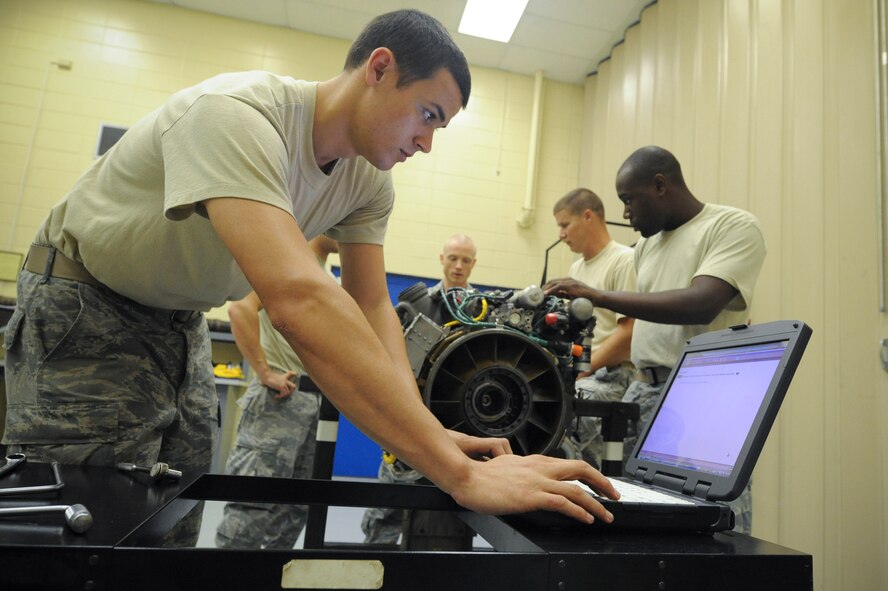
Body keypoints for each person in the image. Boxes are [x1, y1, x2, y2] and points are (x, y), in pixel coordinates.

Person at [3, 8, 618, 543]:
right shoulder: (237, 114)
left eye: (441, 127)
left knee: (171, 510)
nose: (428, 143)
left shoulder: (368, 181)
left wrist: (429, 432)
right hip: (86, 302)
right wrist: (458, 474)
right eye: (427, 115)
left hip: (179, 318)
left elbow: (373, 307)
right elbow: (298, 300)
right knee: (85, 521)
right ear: (378, 69)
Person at [544, 145, 766, 533]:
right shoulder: (646, 246)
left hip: (703, 395)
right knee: (638, 515)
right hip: (644, 391)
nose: (626, 214)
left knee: (713, 524)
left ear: (660, 185)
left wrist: (596, 295)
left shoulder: (731, 226)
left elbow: (702, 304)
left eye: (629, 201)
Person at [215, 235, 337, 549]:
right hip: (279, 401)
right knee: (252, 505)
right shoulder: (285, 260)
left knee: (295, 509)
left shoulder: (328, 278)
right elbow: (241, 309)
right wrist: (264, 371)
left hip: (313, 404)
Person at [361, 233, 477, 544]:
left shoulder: (482, 310)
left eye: (465, 260)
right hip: (410, 416)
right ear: (442, 259)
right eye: (453, 258)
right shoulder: (420, 303)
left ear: (473, 264)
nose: (458, 265)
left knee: (451, 515)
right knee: (385, 508)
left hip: (458, 424)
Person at [551, 189, 636, 470]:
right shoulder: (576, 268)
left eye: (565, 225)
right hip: (586, 372)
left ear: (588, 216)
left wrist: (583, 370)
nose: (561, 234)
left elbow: (629, 335)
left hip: (612, 376)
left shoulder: (623, 260)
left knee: (563, 407)